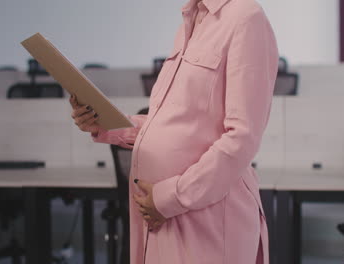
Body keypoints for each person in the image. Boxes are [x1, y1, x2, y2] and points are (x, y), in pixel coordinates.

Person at [70, 0, 278, 263]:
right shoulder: (190, 23)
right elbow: (173, 124)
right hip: (162, 217)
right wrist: (105, 125)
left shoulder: (246, 17)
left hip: (207, 220)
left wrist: (171, 197)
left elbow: (242, 138)